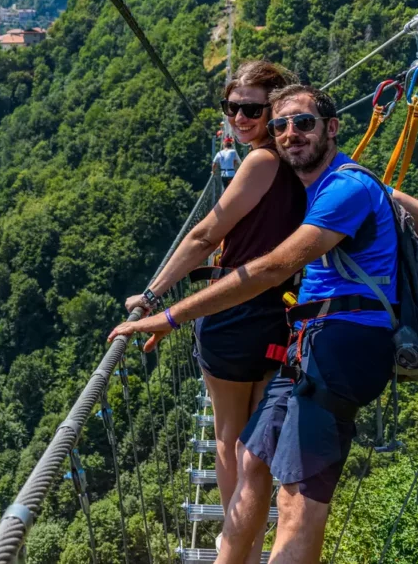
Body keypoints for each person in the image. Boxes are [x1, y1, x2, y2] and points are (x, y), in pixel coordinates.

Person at [110, 85, 418, 564]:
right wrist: (403, 304)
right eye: (281, 125)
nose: (291, 133)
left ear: (331, 128)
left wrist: (169, 316)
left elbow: (271, 269)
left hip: (342, 351)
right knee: (252, 460)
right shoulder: (333, 182)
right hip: (308, 346)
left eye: (304, 123)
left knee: (296, 505)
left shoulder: (346, 189)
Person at [121, 61, 305, 560]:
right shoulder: (304, 159)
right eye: (232, 107)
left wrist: (153, 296)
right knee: (257, 444)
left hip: (233, 318)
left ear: (275, 108)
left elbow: (205, 236)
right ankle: (248, 542)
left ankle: (235, 546)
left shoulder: (260, 162)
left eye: (252, 108)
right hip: (283, 316)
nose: (240, 118)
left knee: (229, 439)